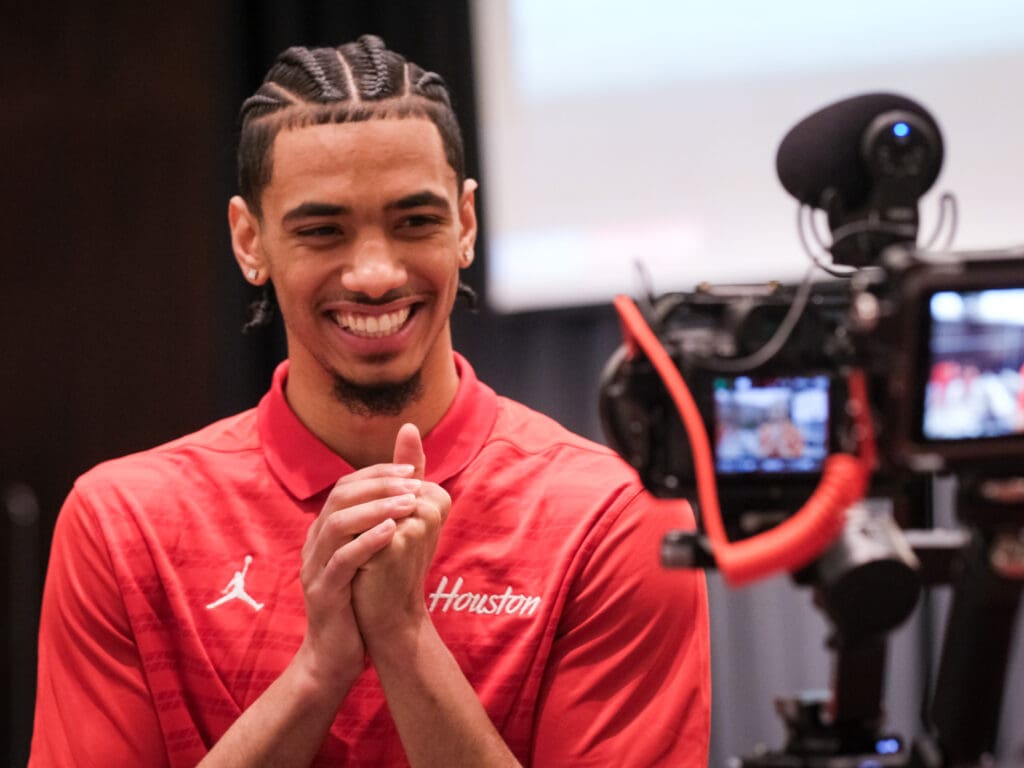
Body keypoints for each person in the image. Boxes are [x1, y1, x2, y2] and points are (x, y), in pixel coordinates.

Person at [29, 36, 710, 767]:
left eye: (416, 222)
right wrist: (318, 672)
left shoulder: (615, 519)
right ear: (248, 240)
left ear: (467, 224)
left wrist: (404, 638)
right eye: (323, 231)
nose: (377, 274)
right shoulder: (122, 525)